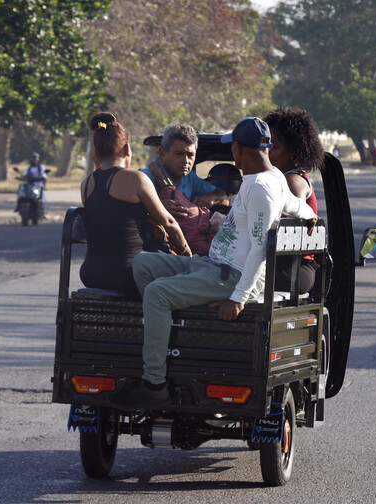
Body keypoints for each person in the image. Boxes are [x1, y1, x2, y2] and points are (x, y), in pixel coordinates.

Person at [108, 117, 317, 409]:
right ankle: (169, 337)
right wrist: (309, 214)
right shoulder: (271, 178)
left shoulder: (261, 188)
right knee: (144, 264)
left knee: (156, 293)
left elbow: (260, 249)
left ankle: (154, 383)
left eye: (233, 148)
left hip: (231, 277)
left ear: (238, 149)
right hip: (213, 265)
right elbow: (292, 204)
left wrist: (238, 299)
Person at [78, 112, 191, 299]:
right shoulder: (137, 179)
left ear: (97, 152)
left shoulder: (86, 183)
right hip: (128, 274)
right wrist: (188, 257)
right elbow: (169, 222)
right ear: (127, 149)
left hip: (90, 273)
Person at [264, 106, 324, 295]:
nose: (267, 151)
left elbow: (288, 222)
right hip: (285, 265)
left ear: (294, 153)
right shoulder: (278, 178)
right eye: (265, 145)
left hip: (292, 268)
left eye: (274, 147)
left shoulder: (292, 180)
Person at [141, 124, 226, 219]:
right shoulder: (146, 178)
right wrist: (156, 208)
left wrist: (212, 197)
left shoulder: (190, 178)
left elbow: (221, 193)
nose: (186, 161)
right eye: (179, 154)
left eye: (190, 155)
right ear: (162, 153)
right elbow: (129, 208)